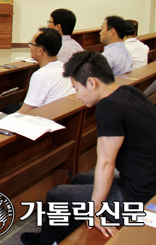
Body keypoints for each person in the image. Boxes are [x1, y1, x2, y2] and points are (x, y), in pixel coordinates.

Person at [21, 51, 156, 245]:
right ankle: (66, 235)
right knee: (79, 179)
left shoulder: (108, 107)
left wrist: (97, 213)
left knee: (56, 195)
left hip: (138, 197)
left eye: (77, 88)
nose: (77, 96)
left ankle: (46, 242)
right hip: (148, 182)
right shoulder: (128, 92)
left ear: (92, 83)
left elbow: (105, 165)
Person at [17, 28, 75, 113]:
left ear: (40, 51)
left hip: (46, 118)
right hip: (62, 112)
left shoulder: (41, 75)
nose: (30, 47)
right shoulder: (65, 67)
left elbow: (26, 111)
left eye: (31, 43)